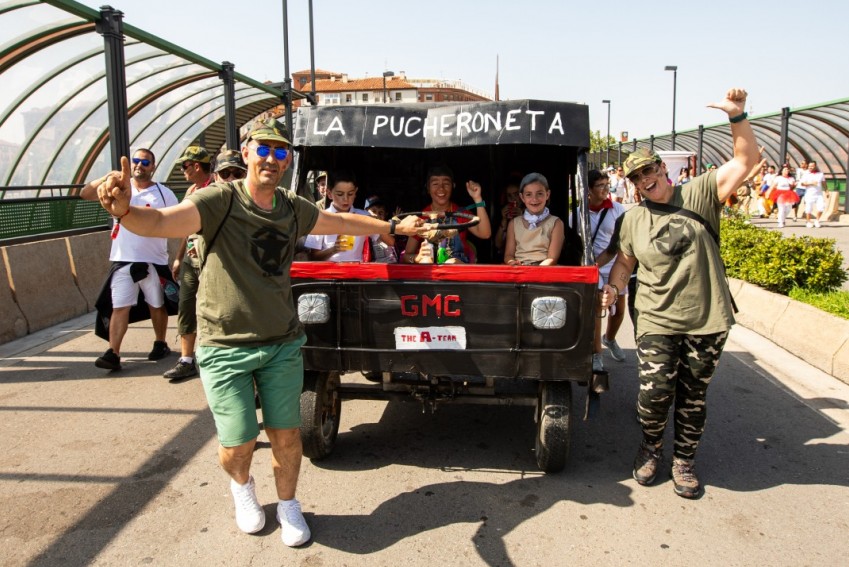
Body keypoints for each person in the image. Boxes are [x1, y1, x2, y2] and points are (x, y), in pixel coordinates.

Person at [90, 118, 428, 547]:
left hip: (281, 343)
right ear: (246, 154)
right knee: (239, 443)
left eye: (280, 151)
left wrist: (392, 228)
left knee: (287, 436)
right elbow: (159, 223)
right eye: (263, 149)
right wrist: (123, 210)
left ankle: (288, 504)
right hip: (224, 346)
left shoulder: (290, 206)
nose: (271, 157)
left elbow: (335, 221)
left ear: (288, 161)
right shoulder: (218, 200)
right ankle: (242, 488)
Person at [601, 88, 758, 499]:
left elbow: (746, 161)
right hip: (656, 316)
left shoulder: (700, 192)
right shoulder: (633, 219)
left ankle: (684, 459)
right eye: (636, 177)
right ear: (632, 184)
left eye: (649, 170)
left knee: (693, 395)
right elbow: (625, 263)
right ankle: (651, 447)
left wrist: (737, 116)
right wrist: (614, 288)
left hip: (707, 317)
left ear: (662, 168)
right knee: (654, 392)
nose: (644, 179)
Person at [80, 148, 178, 371]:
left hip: (153, 259)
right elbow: (85, 194)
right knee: (120, 306)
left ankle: (160, 342)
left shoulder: (164, 194)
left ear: (153, 167)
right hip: (124, 259)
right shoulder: (119, 187)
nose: (139, 165)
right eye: (136, 161)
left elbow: (177, 220)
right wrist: (107, 178)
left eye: (145, 162)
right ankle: (113, 352)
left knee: (157, 304)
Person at [164, 149, 246, 380]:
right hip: (195, 256)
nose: (230, 178)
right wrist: (180, 256)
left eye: (236, 172)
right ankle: (187, 359)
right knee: (186, 304)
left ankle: (241, 366)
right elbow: (185, 226)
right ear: (217, 174)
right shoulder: (195, 192)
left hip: (225, 261)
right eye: (225, 173)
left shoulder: (249, 198)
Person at [582, 169, 627, 372]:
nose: (605, 189)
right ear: (589, 190)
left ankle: (610, 339)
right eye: (600, 185)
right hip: (594, 270)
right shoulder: (579, 214)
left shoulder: (618, 210)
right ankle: (596, 353)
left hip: (616, 267)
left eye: (607, 185)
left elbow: (622, 243)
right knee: (598, 311)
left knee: (618, 312)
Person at [403, 165, 492, 264]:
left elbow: (485, 234)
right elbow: (406, 255)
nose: (441, 188)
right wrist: (417, 258)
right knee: (426, 261)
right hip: (429, 270)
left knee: (451, 263)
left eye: (446, 184)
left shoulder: (461, 213)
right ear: (428, 188)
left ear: (453, 186)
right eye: (435, 184)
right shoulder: (421, 217)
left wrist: (477, 198)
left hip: (456, 267)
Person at [304, 170, 380, 261]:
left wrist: (377, 222)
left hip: (356, 272)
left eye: (350, 194)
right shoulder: (320, 218)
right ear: (329, 193)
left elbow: (390, 241)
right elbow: (313, 257)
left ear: (355, 192)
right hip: (328, 273)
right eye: (340, 194)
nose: (345, 199)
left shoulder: (364, 216)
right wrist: (333, 249)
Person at [502, 172, 564, 266]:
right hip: (519, 271)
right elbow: (508, 255)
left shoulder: (556, 223)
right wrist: (512, 263)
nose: (534, 199)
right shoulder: (514, 223)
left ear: (547, 194)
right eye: (528, 194)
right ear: (522, 197)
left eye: (539, 194)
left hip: (544, 272)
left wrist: (534, 273)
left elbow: (552, 258)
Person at [365, 195, 399, 263]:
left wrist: (394, 223)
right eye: (374, 211)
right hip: (371, 267)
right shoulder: (361, 229)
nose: (377, 215)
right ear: (365, 212)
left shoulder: (387, 227)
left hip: (392, 264)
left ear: (386, 214)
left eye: (381, 213)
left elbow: (391, 241)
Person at [494, 178, 522, 256]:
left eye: (516, 194)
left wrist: (522, 218)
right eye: (509, 196)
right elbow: (498, 244)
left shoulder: (532, 213)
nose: (513, 199)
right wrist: (504, 220)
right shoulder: (505, 214)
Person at [799, 161, 827, 228]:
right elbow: (802, 183)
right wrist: (811, 183)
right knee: (808, 208)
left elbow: (824, 183)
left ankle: (817, 220)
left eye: (812, 166)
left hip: (819, 194)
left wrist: (826, 191)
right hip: (809, 194)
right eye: (809, 166)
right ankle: (808, 221)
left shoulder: (820, 174)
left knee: (821, 207)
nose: (810, 167)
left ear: (815, 166)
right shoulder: (806, 174)